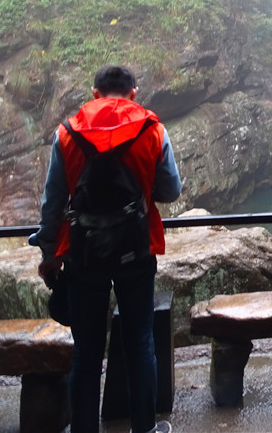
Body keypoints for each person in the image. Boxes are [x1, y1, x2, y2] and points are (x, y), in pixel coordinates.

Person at [31, 65, 182, 433]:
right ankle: (145, 427)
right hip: (136, 249)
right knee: (140, 342)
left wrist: (49, 254)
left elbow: (52, 204)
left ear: (94, 93)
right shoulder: (152, 128)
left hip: (84, 255)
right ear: (133, 93)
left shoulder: (66, 133)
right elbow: (171, 190)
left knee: (86, 351)